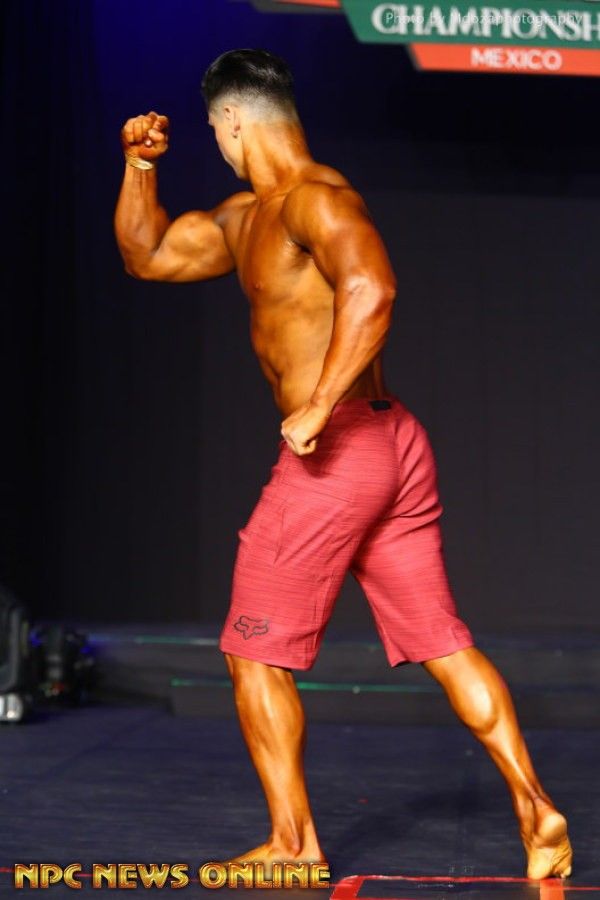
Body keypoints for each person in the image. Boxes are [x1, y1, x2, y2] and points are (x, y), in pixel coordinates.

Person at [114, 49, 572, 881]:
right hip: (395, 446)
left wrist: (321, 405)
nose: (215, 143)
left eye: (213, 130)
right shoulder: (247, 216)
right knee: (442, 642)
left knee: (253, 650)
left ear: (231, 121)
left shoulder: (317, 200)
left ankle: (293, 847)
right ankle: (538, 810)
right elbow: (148, 256)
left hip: (342, 451)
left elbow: (373, 289)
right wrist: (140, 169)